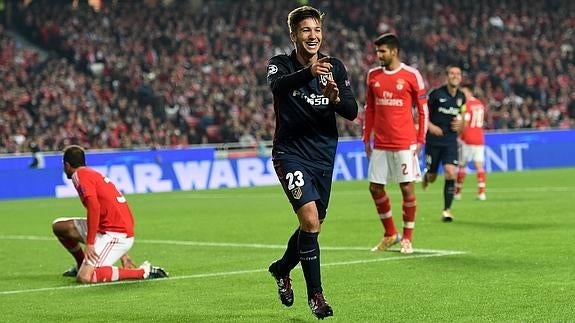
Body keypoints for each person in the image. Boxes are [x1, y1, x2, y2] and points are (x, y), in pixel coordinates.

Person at [266, 5, 358, 319]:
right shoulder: (279, 64)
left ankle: (281, 269)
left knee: (314, 223)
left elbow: (351, 110)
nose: (313, 36)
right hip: (290, 153)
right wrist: (309, 72)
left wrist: (335, 99)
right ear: (293, 35)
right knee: (309, 220)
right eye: (306, 30)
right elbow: (278, 88)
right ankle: (316, 296)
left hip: (323, 156)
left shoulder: (335, 67)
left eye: (317, 30)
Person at [52, 145, 168, 283]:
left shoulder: (79, 176)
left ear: (67, 165)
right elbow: (107, 211)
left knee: (86, 277)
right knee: (60, 227)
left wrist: (90, 244)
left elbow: (94, 208)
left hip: (115, 234)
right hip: (109, 227)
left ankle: (143, 272)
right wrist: (123, 255)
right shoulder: (91, 174)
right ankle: (81, 264)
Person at [363, 33, 429, 255]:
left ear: (394, 51)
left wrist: (421, 139)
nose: (378, 55)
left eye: (382, 51)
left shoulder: (412, 75)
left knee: (406, 189)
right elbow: (369, 108)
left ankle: (407, 238)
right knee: (374, 187)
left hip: (404, 143)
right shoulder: (373, 75)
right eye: (377, 51)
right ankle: (390, 233)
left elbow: (423, 110)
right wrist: (366, 137)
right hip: (381, 143)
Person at [422, 65, 465, 222]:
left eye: (458, 73)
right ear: (447, 77)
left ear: (460, 77)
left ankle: (447, 210)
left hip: (450, 141)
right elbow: (422, 112)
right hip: (433, 142)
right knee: (433, 176)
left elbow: (463, 118)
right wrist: (430, 126)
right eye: (452, 73)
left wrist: (462, 125)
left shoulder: (461, 97)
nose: (455, 76)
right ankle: (427, 176)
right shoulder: (435, 94)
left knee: (450, 172)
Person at [455, 84, 487, 201]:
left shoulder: (466, 105)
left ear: (469, 92)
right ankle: (482, 193)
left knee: (462, 165)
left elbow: (465, 122)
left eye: (463, 92)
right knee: (479, 166)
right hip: (479, 138)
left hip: (467, 138)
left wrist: (459, 135)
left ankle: (457, 193)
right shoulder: (480, 104)